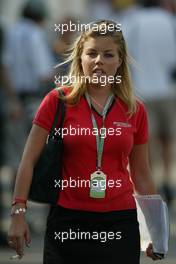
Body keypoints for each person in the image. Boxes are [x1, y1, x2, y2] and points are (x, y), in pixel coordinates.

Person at [8, 20, 162, 263]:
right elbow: (27, 161)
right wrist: (18, 213)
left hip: (119, 224)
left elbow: (141, 174)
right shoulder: (57, 101)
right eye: (92, 53)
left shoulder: (135, 110)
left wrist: (154, 230)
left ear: (120, 61)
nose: (99, 60)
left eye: (108, 54)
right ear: (80, 58)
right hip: (67, 222)